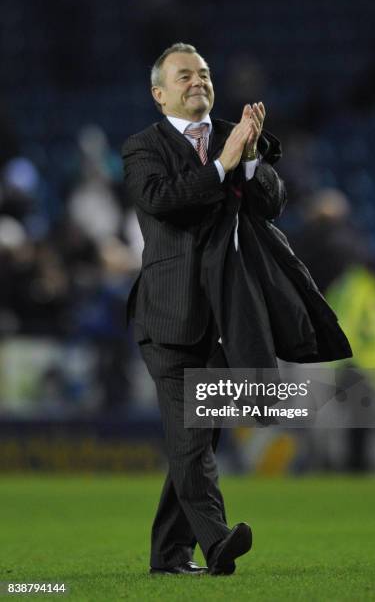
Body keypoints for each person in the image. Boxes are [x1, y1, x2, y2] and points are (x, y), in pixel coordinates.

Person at [122, 42, 351, 576]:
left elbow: (272, 206)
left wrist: (248, 161)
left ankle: (168, 555)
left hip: (227, 317)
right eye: (184, 75)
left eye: (203, 73)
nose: (197, 80)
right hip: (169, 318)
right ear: (160, 95)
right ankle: (218, 543)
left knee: (195, 440)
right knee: (192, 440)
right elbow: (163, 201)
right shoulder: (142, 148)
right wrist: (223, 165)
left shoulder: (236, 136)